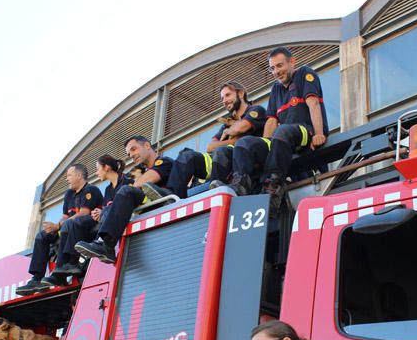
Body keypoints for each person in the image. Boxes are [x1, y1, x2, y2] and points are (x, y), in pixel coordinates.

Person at [142, 81, 267, 200]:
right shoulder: (225, 124)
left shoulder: (256, 110)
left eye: (228, 95)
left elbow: (240, 127)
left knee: (221, 151)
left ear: (240, 93)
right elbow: (210, 147)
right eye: (222, 98)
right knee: (186, 155)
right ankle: (173, 196)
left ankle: (219, 191)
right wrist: (233, 138)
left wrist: (230, 131)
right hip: (220, 161)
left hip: (242, 163)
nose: (224, 100)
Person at [246, 47, 329, 212]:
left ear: (292, 62)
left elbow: (313, 104)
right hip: (287, 141)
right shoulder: (276, 89)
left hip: (307, 133)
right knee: (247, 143)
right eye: (272, 68)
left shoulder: (305, 73)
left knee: (282, 130)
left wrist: (319, 134)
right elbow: (270, 122)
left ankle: (273, 187)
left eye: (279, 65)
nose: (276, 71)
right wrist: (265, 147)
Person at [76, 136, 174, 264]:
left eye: (134, 149)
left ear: (147, 146)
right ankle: (103, 247)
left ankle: (105, 245)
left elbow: (138, 184)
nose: (131, 155)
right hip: (144, 211)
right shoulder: (139, 170)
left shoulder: (164, 161)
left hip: (165, 205)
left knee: (125, 191)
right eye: (129, 154)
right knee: (114, 203)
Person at [17, 163, 103, 295]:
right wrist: (54, 227)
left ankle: (65, 267)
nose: (66, 179)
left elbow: (84, 213)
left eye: (69, 175)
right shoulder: (69, 194)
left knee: (69, 224)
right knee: (42, 235)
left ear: (79, 175)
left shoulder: (91, 190)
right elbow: (64, 217)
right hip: (68, 229)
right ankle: (36, 279)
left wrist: (59, 226)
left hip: (88, 230)